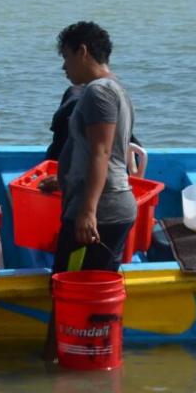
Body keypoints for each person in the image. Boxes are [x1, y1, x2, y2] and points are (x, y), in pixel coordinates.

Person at [45, 21, 138, 272]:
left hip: (102, 211)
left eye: (66, 56)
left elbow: (102, 152)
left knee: (71, 287)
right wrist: (66, 179)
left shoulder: (99, 93)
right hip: (106, 205)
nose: (64, 66)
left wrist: (88, 212)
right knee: (89, 289)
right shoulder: (115, 89)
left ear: (83, 52)